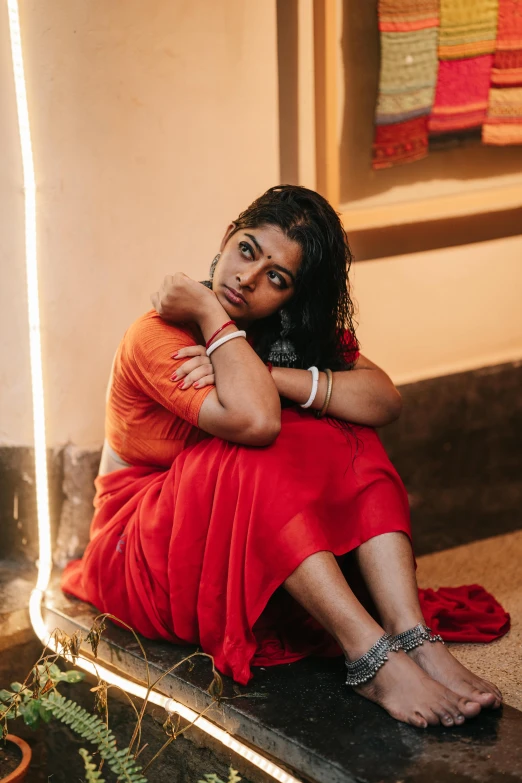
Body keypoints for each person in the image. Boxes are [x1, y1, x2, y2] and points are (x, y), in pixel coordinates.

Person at [62, 185, 502, 729]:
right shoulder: (156, 334)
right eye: (247, 250)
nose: (248, 277)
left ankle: (413, 635)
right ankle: (370, 657)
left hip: (214, 539)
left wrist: (270, 375)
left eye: (277, 277)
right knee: (251, 451)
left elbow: (384, 399)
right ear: (226, 240)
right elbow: (256, 421)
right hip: (136, 555)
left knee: (350, 434)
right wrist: (206, 310)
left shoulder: (283, 334)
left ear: (293, 295)